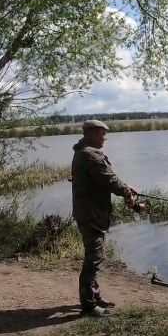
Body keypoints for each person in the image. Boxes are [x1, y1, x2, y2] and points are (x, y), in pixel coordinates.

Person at [71, 119, 137, 318]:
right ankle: (89, 306)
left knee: (96, 256)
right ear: (91, 134)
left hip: (90, 213)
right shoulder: (90, 155)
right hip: (90, 214)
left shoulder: (85, 152)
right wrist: (128, 195)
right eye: (102, 134)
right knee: (93, 259)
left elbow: (107, 179)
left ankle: (95, 296)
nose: (105, 138)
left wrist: (126, 190)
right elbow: (110, 180)